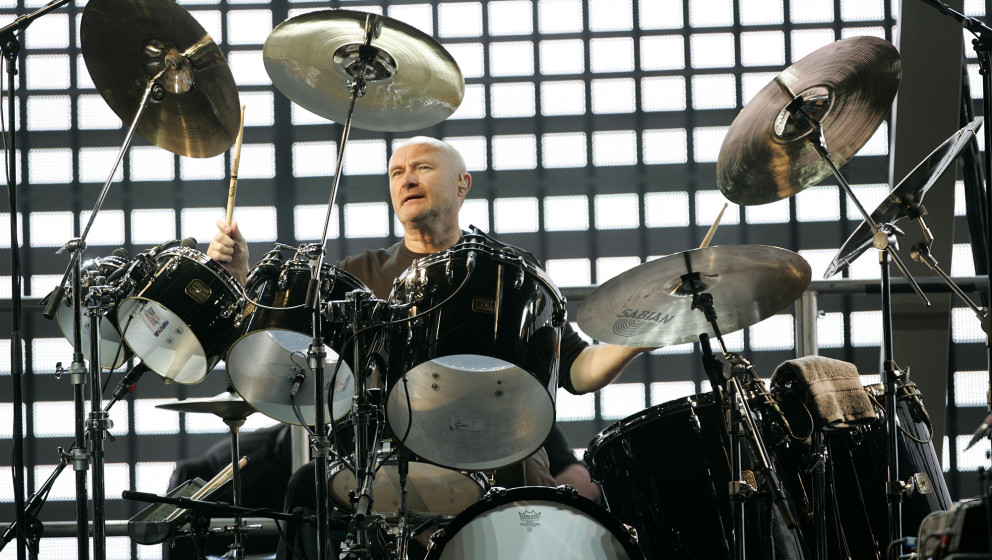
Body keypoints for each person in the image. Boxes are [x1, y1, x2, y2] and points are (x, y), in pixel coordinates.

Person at [208, 136, 650, 552]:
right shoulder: (359, 274)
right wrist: (241, 280)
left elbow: (577, 369)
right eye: (397, 172)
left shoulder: (512, 273)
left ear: (463, 185)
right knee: (307, 488)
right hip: (392, 470)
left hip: (503, 466)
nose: (407, 179)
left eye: (422, 167)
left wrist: (645, 332)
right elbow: (288, 347)